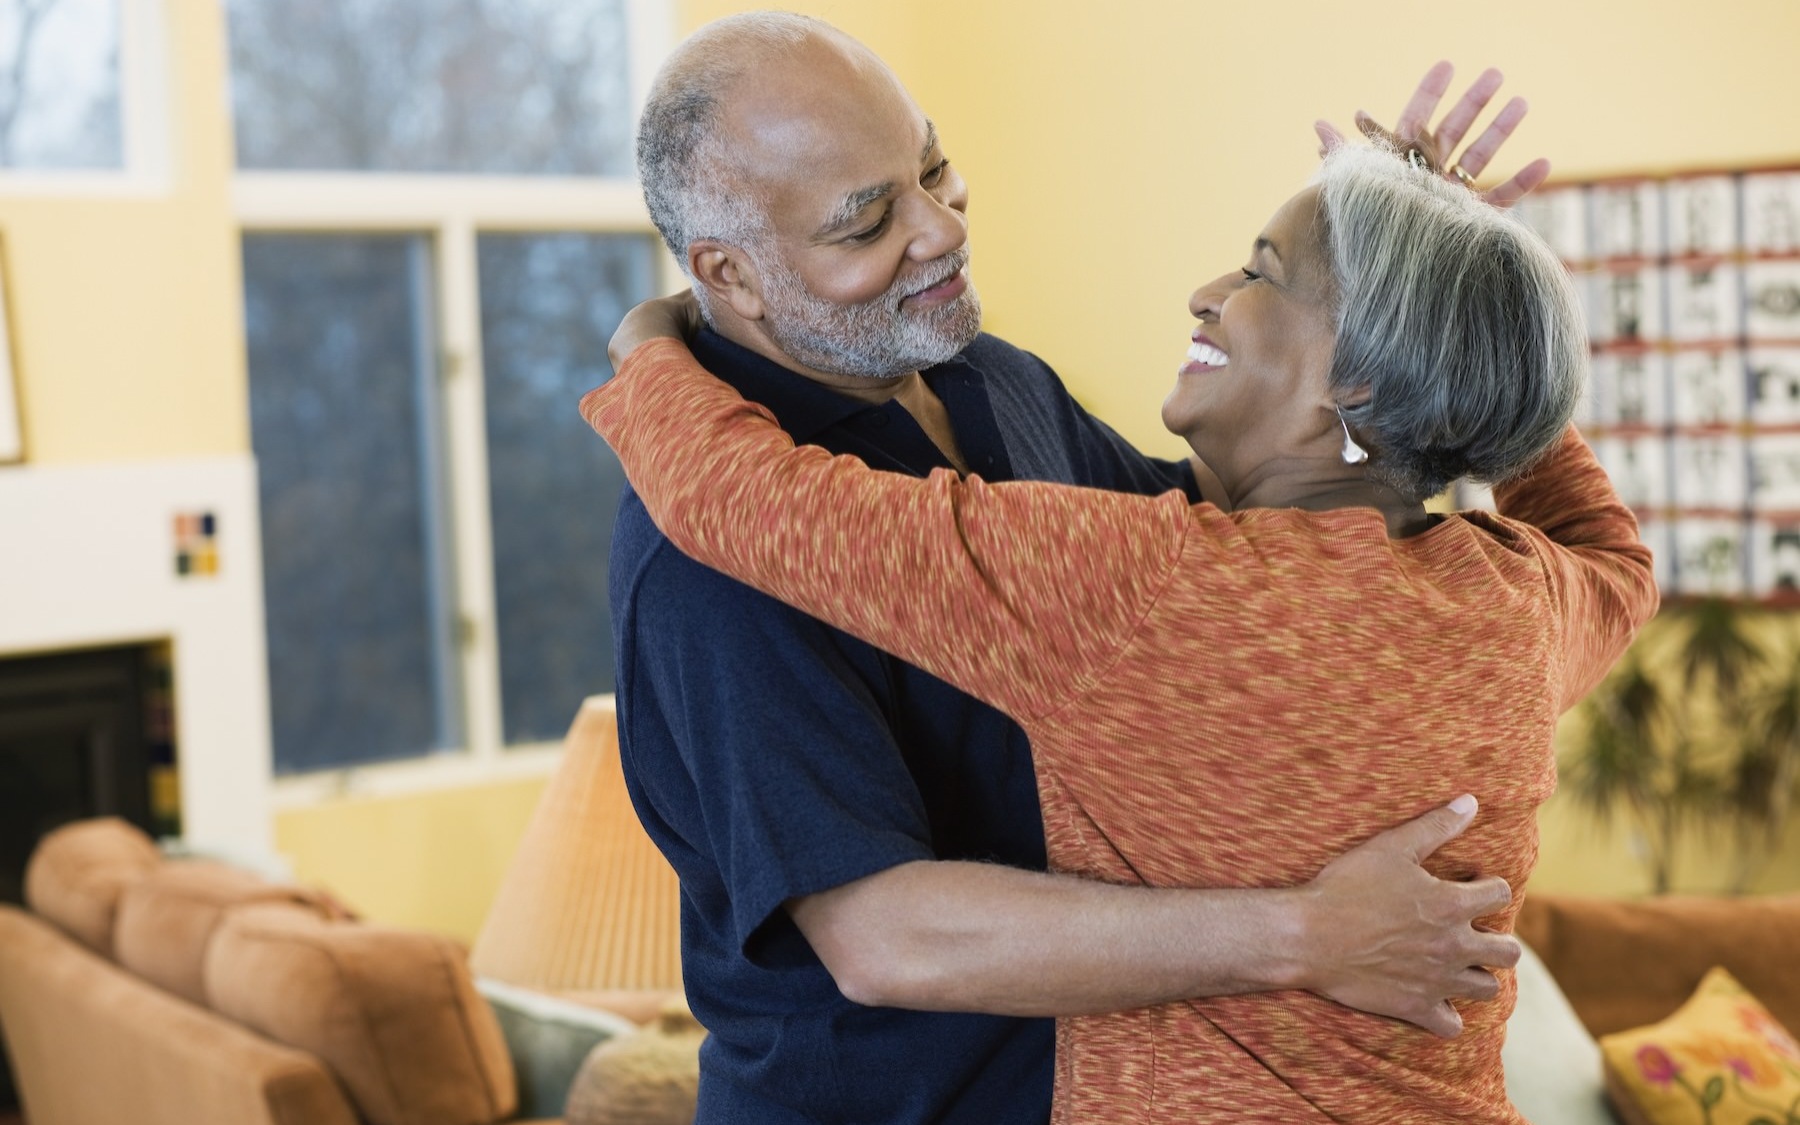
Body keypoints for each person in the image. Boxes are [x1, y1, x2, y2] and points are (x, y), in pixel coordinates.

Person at [587, 139, 1658, 1122]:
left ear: (1360, 376)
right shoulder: (1522, 608)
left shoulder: (1135, 586)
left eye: (1260, 274)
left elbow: (749, 501)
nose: (1209, 295)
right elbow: (1615, 556)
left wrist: (648, 342)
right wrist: (1452, 302)